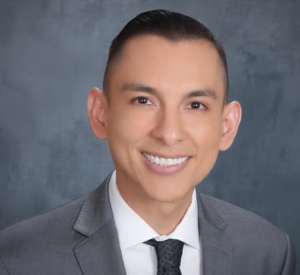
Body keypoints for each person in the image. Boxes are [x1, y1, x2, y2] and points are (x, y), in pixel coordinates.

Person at [0, 9, 296, 275]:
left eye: (195, 105)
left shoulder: (269, 253)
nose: (168, 133)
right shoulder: (16, 259)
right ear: (100, 114)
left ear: (227, 126)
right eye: (143, 100)